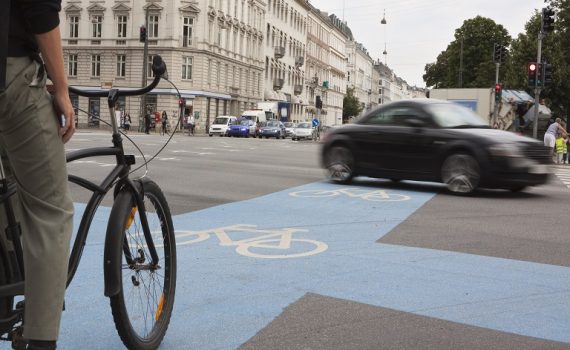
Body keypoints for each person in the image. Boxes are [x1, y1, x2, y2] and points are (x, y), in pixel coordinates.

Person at [1, 1, 75, 349]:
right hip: (10, 71)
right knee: (50, 210)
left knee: (8, 196)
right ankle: (40, 342)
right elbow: (40, 11)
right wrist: (61, 87)